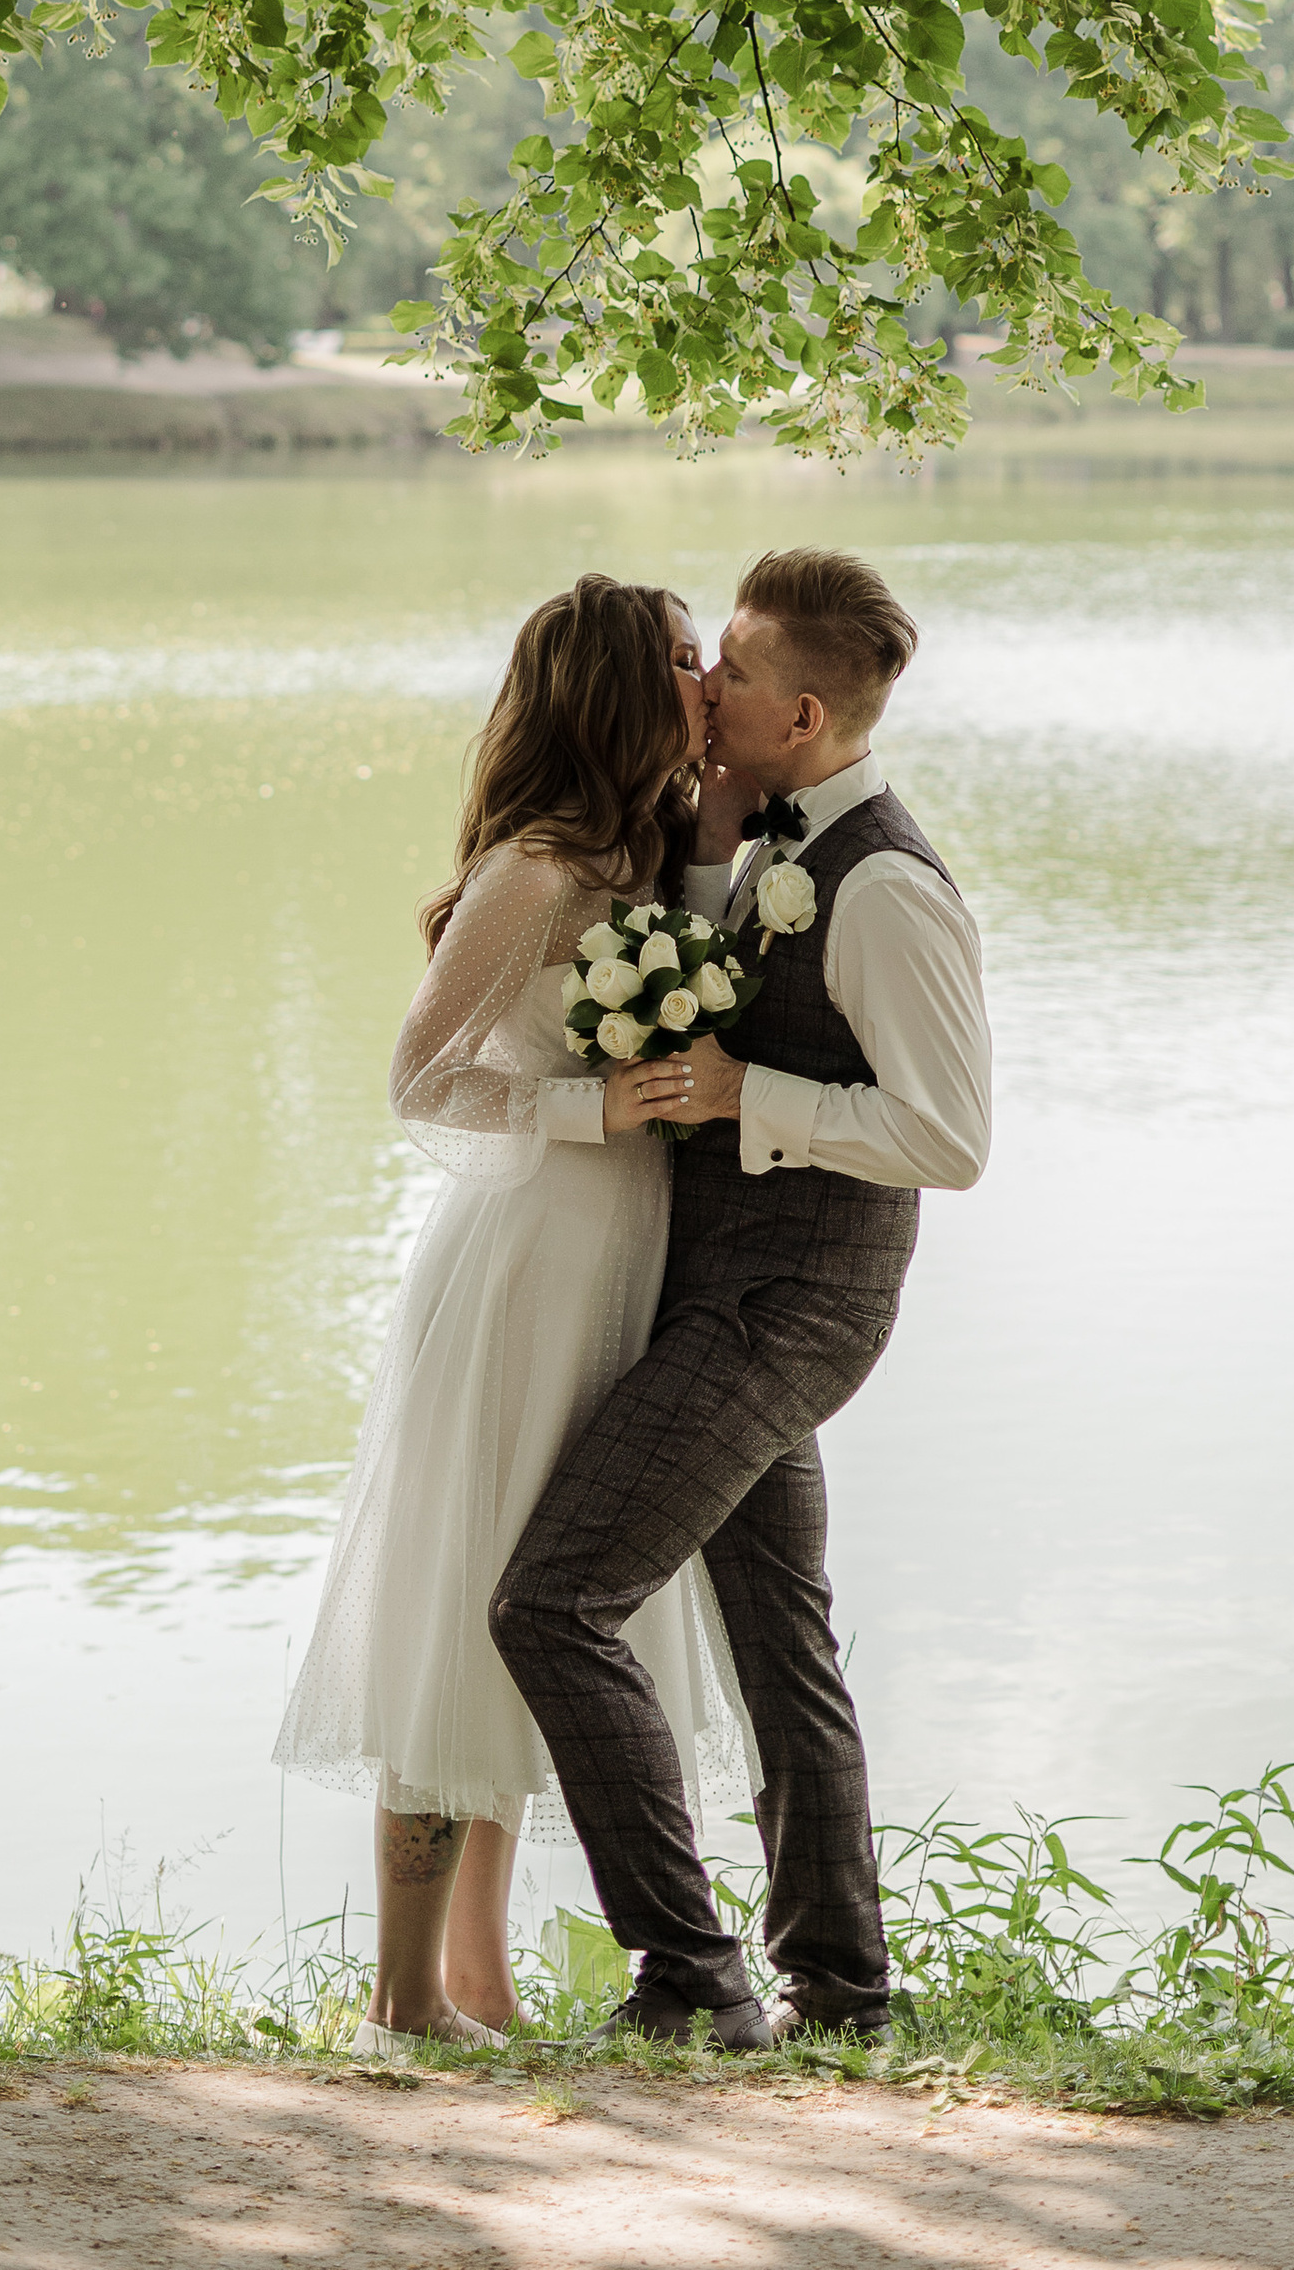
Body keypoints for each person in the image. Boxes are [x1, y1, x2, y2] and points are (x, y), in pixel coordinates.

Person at [491, 545, 990, 2049]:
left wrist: (745, 1091)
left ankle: (691, 1977)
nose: (707, 686)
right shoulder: (765, 836)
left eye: (738, 672)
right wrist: (712, 842)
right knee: (784, 1648)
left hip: (794, 1307)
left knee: (552, 1603)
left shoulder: (887, 884)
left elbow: (950, 1138)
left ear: (808, 713)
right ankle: (843, 1993)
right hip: (727, 1293)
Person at [273, 573, 752, 2052]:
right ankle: (401, 2003)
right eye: (683, 660)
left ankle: (477, 1983)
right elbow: (420, 1077)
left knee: (547, 1620)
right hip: (524, 1269)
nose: (705, 678)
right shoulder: (538, 873)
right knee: (461, 1611)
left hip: (624, 1264)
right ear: (617, 687)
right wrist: (587, 1102)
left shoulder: (653, 855)